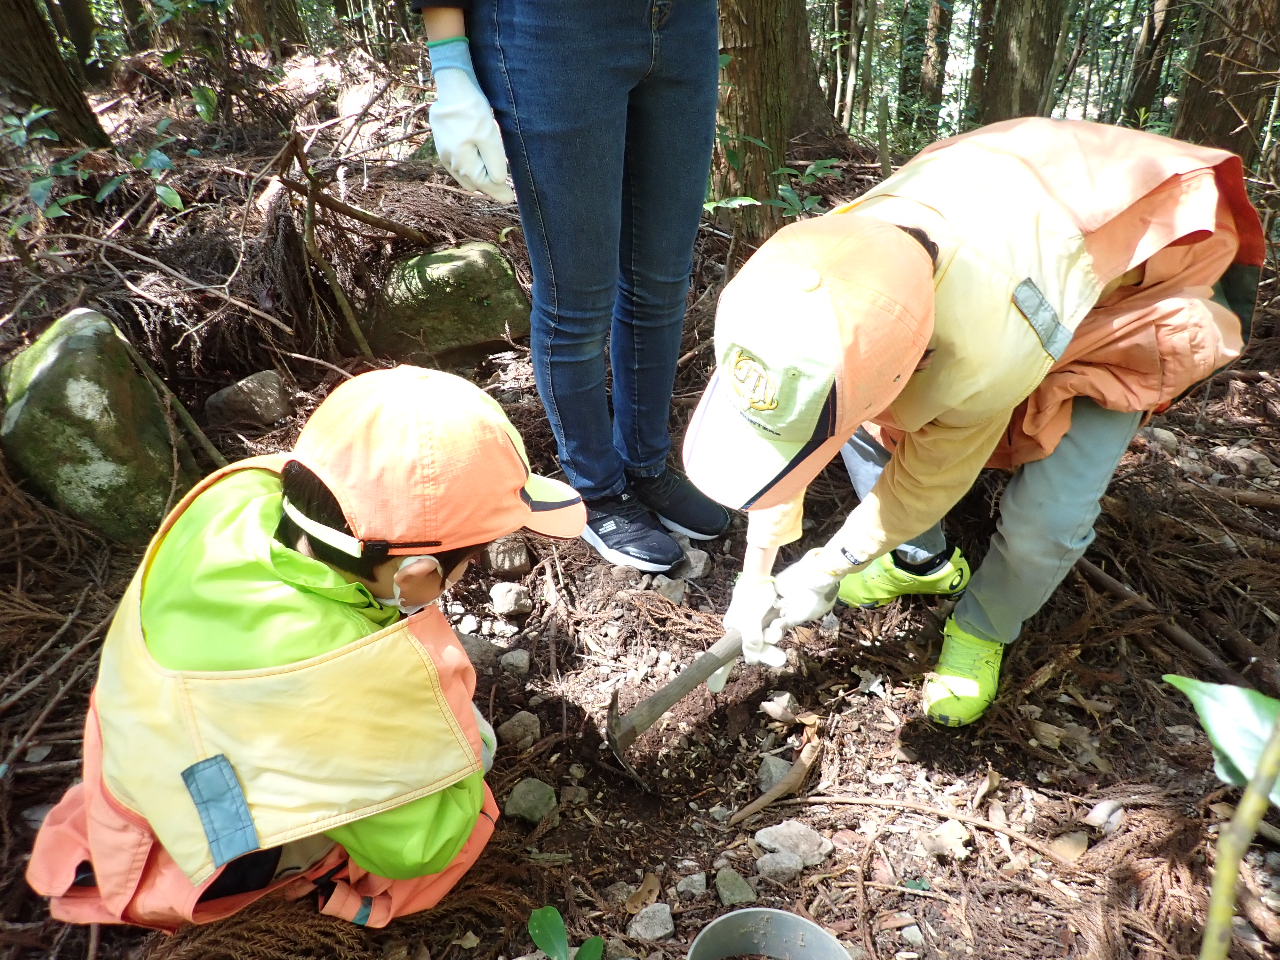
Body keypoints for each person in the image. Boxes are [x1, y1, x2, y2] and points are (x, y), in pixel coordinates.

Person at [683, 118, 1263, 727]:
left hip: (1137, 270)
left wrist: (828, 565)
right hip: (1009, 221)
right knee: (860, 418)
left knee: (1050, 518)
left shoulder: (987, 348)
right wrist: (756, 573)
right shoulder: (808, 273)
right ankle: (923, 565)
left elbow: (929, 477)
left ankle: (984, 626)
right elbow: (793, 430)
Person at [26, 367, 585, 931]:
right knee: (472, 760)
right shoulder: (347, 679)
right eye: (472, 560)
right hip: (204, 849)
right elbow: (419, 848)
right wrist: (457, 742)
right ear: (417, 576)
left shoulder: (235, 505)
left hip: (141, 762)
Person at [412, 0, 730, 572]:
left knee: (661, 281)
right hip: (550, 30)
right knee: (577, 296)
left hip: (684, 23)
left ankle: (648, 466)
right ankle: (599, 492)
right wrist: (450, 61)